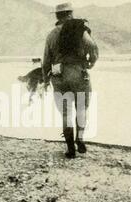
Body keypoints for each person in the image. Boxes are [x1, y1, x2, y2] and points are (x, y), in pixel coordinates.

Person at [42, 2, 99, 159]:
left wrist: (46, 79)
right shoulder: (78, 29)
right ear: (69, 14)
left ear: (57, 16)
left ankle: (70, 149)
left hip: (58, 76)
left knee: (66, 114)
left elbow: (46, 61)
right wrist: (91, 62)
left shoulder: (51, 34)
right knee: (81, 108)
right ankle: (79, 138)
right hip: (78, 73)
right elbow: (93, 47)